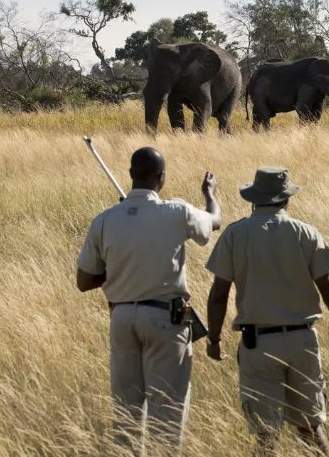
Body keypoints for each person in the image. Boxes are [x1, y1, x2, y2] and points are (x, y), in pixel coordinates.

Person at [204, 166, 329, 455]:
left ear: (253, 199)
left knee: (266, 437)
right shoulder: (306, 232)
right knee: (310, 428)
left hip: (258, 344)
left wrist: (215, 340)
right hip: (302, 341)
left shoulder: (234, 234)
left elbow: (219, 295)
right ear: (286, 199)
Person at [76, 147, 222, 454]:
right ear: (162, 178)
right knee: (166, 413)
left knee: (126, 415)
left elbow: (84, 280)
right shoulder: (177, 211)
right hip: (165, 319)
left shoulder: (104, 220)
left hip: (121, 318)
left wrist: (119, 269)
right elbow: (213, 222)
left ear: (130, 175)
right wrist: (210, 194)